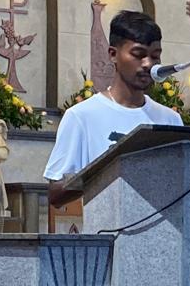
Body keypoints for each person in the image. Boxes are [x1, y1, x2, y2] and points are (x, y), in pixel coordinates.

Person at [45, 11, 183, 207]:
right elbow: (56, 194)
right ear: (113, 54)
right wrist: (111, 167)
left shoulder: (170, 119)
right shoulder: (81, 116)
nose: (148, 64)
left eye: (155, 56)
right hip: (107, 223)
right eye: (138, 55)